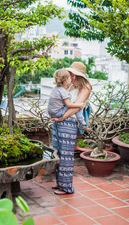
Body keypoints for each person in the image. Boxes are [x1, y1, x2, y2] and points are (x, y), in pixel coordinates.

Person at [51, 61, 92, 195]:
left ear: (81, 76)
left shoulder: (85, 87)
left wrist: (61, 118)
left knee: (67, 156)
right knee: (58, 154)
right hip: (58, 123)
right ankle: (60, 183)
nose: (72, 77)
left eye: (74, 75)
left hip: (69, 123)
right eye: (71, 74)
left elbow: (76, 107)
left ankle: (66, 187)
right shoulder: (68, 85)